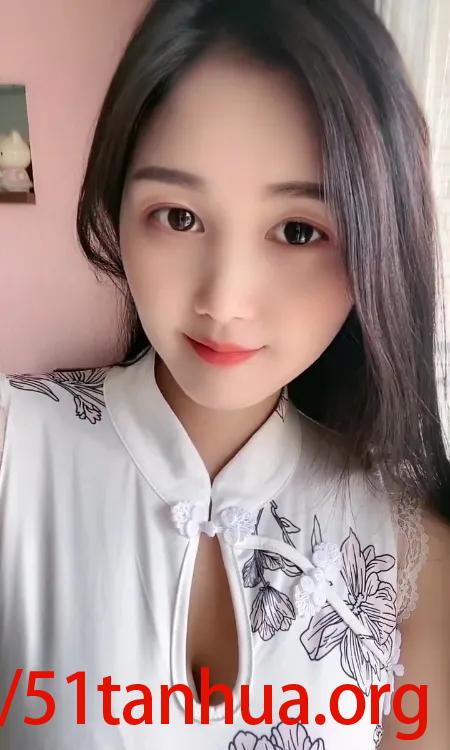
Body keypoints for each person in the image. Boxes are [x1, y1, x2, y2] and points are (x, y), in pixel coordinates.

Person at [0, 0, 449, 747]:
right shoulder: (15, 452)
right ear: (118, 209)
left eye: (298, 231)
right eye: (179, 217)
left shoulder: (415, 555)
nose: (225, 300)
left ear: (378, 245)